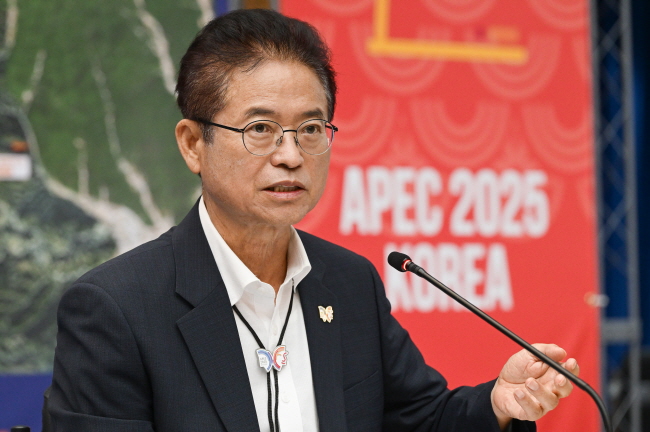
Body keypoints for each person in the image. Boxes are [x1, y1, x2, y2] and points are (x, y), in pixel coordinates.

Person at [49, 8, 579, 432]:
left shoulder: (348, 284)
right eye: (260, 129)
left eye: (310, 129)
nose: (290, 155)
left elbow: (419, 419)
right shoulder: (116, 309)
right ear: (193, 144)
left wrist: (497, 404)